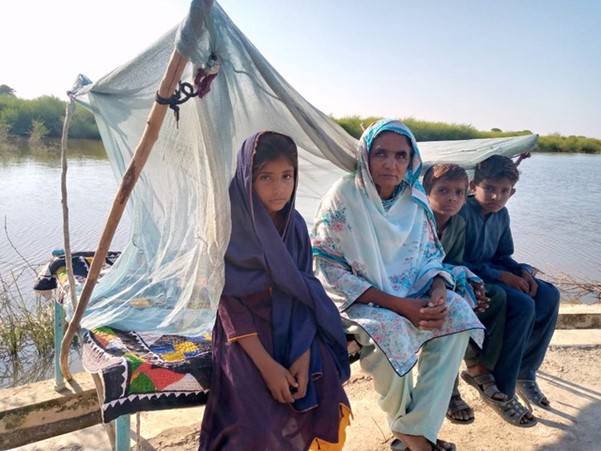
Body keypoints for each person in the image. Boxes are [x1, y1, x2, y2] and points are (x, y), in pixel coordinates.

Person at [312, 119, 484, 451]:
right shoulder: (345, 195)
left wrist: (437, 291)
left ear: (411, 160)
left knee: (458, 312)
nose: (391, 164)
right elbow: (327, 267)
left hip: (412, 292)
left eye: (400, 155)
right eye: (381, 154)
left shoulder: (414, 199)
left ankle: (414, 430)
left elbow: (431, 255)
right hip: (359, 296)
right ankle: (415, 437)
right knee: (390, 329)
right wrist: (399, 305)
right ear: (366, 155)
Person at [199, 131, 352, 451]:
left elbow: (302, 289)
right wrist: (268, 367)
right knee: (255, 417)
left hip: (293, 319)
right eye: (266, 177)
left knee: (321, 381)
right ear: (246, 179)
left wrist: (303, 353)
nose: (279, 188)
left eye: (287, 176)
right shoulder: (226, 224)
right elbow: (225, 300)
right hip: (242, 331)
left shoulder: (294, 224)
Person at [423, 163, 536, 428]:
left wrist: (470, 282)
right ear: (426, 192)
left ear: (466, 193)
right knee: (458, 308)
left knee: (491, 298)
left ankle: (504, 372)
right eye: (443, 191)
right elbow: (416, 263)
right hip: (419, 284)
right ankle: (453, 388)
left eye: (458, 193)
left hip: (447, 279)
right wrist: (450, 283)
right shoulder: (418, 220)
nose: (452, 198)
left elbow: (456, 262)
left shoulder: (458, 222)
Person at [459, 154, 560, 414]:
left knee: (549, 294)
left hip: (495, 271)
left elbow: (504, 255)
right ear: (473, 186)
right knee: (523, 305)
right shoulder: (461, 211)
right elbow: (458, 259)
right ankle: (503, 387)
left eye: (504, 191)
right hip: (472, 278)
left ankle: (525, 373)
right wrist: (504, 276)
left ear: (512, 193)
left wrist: (521, 272)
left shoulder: (501, 215)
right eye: (489, 189)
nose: (496, 196)